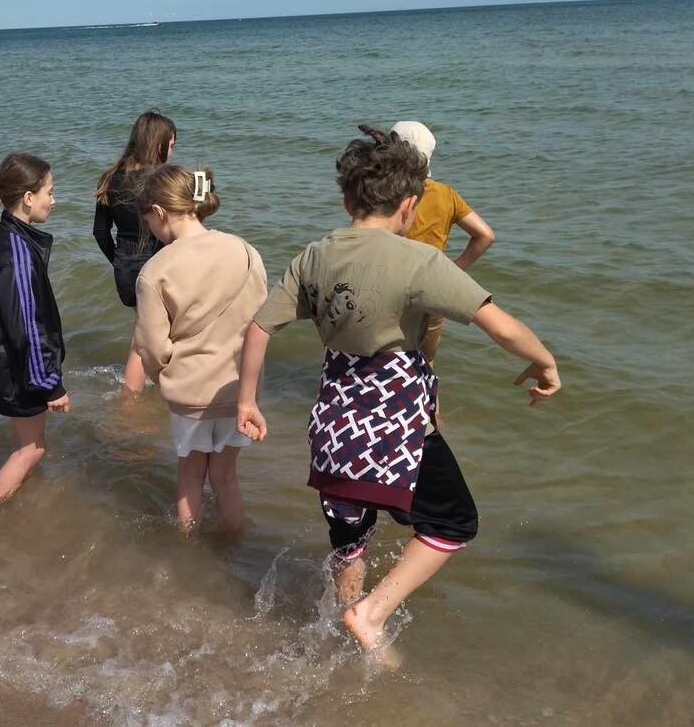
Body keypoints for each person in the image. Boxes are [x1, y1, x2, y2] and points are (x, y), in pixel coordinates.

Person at [236, 126, 560, 668]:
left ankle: (348, 626)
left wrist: (248, 401)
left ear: (347, 200)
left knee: (350, 538)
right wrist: (545, 362)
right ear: (409, 206)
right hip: (396, 429)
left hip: (334, 429)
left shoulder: (313, 256)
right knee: (453, 523)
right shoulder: (419, 262)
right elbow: (500, 326)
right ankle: (372, 614)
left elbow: (260, 326)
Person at [133, 165, 266, 534]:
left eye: (148, 222)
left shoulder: (155, 271)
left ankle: (186, 552)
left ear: (158, 212)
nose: (151, 230)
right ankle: (234, 547)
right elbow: (260, 323)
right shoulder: (246, 251)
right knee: (226, 477)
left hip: (190, 394)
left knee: (190, 475)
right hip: (240, 392)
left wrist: (164, 374)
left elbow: (151, 348)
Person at [0, 153, 71, 508]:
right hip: (18, 370)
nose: (54, 200)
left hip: (8, 364)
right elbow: (27, 327)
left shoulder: (13, 238)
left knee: (27, 444)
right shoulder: (18, 254)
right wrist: (51, 385)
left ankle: (23, 508)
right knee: (33, 449)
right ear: (28, 198)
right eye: (49, 192)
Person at [391, 121, 496, 362]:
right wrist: (453, 271)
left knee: (386, 360)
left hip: (394, 287)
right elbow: (486, 236)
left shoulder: (387, 192)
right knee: (425, 363)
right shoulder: (445, 194)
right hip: (434, 289)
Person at [93, 110, 178, 394]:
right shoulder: (162, 180)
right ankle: (131, 400)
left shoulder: (110, 178)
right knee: (143, 340)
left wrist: (119, 261)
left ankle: (149, 387)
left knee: (147, 329)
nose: (172, 151)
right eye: (171, 144)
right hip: (158, 267)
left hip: (125, 268)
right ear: (158, 143)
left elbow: (100, 232)